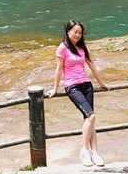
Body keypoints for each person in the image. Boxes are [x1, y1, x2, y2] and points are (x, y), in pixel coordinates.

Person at [47, 19, 108, 167]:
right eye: (75, 32)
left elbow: (91, 65)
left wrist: (102, 84)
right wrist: (55, 89)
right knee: (91, 116)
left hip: (86, 85)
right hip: (72, 86)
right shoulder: (62, 48)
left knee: (90, 119)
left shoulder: (82, 47)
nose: (77, 35)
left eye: (79, 33)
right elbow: (59, 69)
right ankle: (85, 150)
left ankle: (95, 152)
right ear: (68, 32)